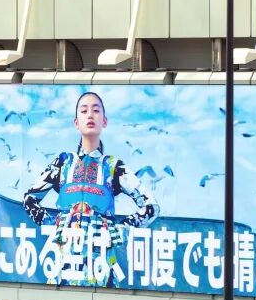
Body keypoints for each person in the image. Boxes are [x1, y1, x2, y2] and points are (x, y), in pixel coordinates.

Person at [21, 90, 157, 287]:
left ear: (105, 121)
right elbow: (29, 198)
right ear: (76, 123)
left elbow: (151, 206)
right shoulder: (63, 162)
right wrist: (53, 225)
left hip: (101, 265)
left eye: (96, 110)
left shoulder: (113, 166)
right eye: (84, 111)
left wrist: (121, 229)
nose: (90, 115)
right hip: (63, 265)